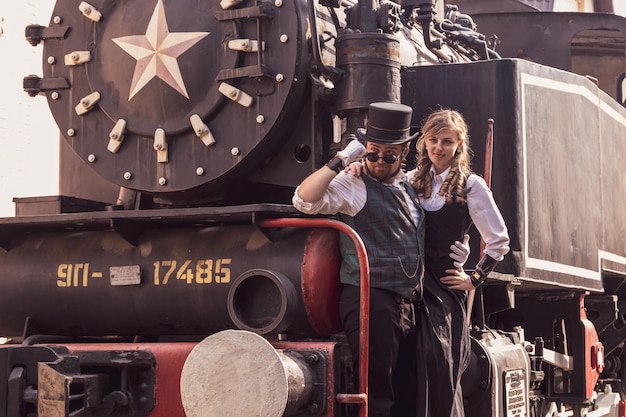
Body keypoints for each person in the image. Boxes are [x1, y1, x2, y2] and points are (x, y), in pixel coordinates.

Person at [292, 102, 469, 417]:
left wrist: (464, 251)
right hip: (370, 300)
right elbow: (304, 199)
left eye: (388, 155)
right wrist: (343, 159)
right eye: (371, 153)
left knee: (406, 390)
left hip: (409, 303)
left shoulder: (411, 185)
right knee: (376, 391)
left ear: (403, 154)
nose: (377, 161)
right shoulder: (352, 183)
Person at [407, 108, 510, 416]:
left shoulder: (471, 186)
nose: (439, 147)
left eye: (447, 141)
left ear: (459, 143)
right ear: (424, 141)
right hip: (408, 284)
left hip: (443, 288)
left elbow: (499, 240)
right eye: (433, 139)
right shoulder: (408, 181)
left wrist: (474, 278)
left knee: (439, 363)